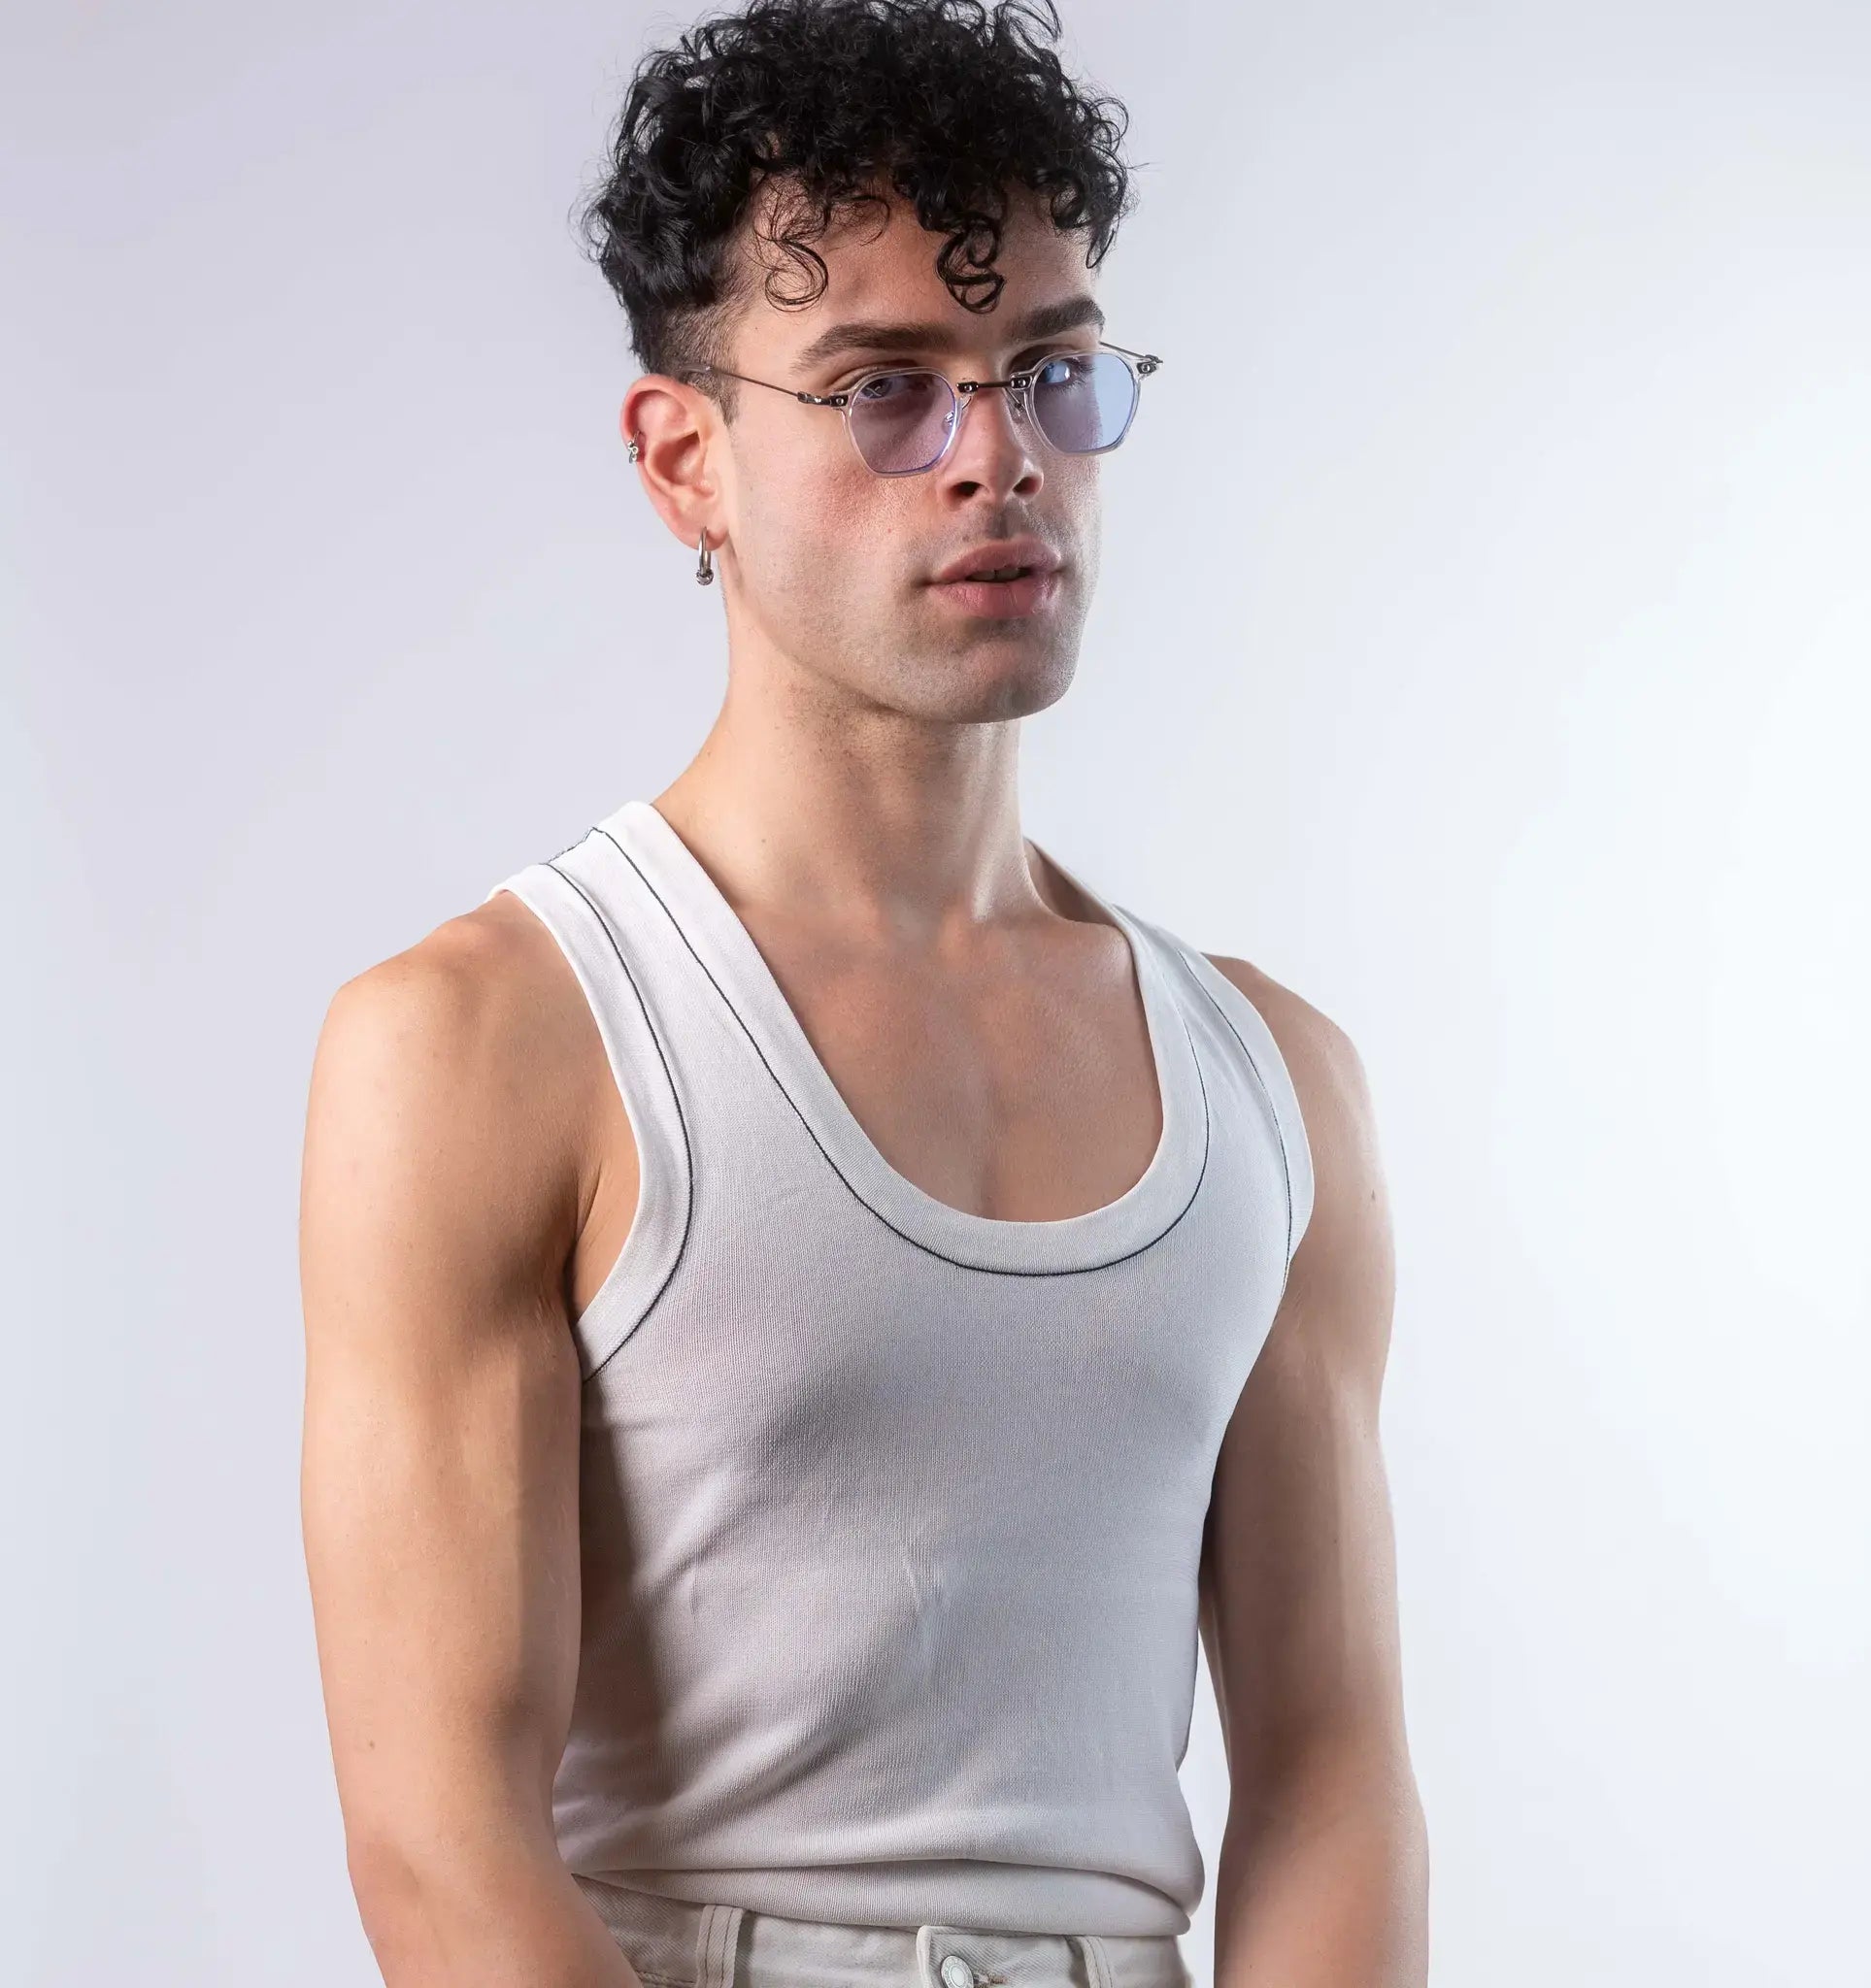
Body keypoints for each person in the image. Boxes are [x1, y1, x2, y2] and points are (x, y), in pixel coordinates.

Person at [298, 2, 1427, 1983]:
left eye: (1052, 374)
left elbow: (1333, 1775)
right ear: (685, 461)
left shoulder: (1272, 1081)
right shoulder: (490, 1045)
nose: (996, 458)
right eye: (885, 390)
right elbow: (438, 1840)